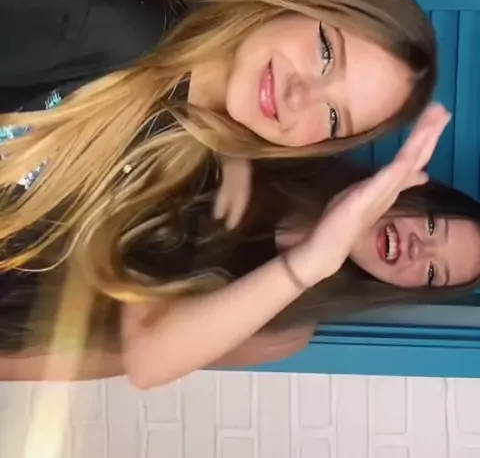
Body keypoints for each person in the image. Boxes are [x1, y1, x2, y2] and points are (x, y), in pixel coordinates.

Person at [0, 0, 436, 285]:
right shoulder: (124, 22)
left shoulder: (182, 187)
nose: (300, 95)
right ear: (300, 4)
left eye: (334, 117)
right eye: (326, 54)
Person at [1, 104, 478, 389]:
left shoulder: (285, 331)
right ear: (415, 193)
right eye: (432, 226)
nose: (419, 249)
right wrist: (230, 153)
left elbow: (122, 360)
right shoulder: (291, 146)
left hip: (30, 295)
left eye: (433, 272)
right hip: (36, 185)